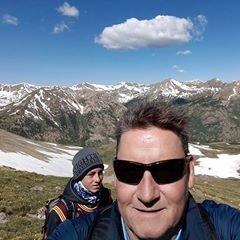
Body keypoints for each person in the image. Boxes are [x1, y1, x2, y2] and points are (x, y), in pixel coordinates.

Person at [47, 101, 240, 240]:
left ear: (189, 172)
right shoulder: (76, 233)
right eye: (129, 171)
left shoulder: (224, 228)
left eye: (167, 171)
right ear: (115, 176)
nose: (147, 195)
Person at [43, 147, 112, 238]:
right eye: (91, 174)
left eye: (100, 173)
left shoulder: (105, 197)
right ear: (80, 176)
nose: (98, 179)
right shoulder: (62, 210)